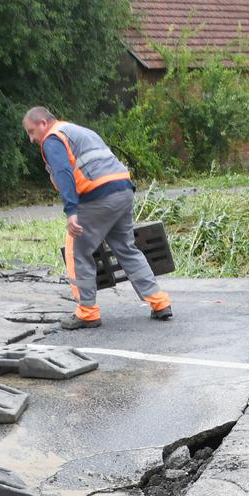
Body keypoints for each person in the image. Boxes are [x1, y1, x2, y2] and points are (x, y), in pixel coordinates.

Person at [21, 106, 171, 330]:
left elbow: (64, 175)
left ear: (43, 122)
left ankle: (87, 312)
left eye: (32, 132)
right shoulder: (79, 131)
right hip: (123, 191)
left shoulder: (53, 139)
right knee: (126, 248)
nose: (32, 139)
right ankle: (160, 302)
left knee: (77, 251)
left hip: (98, 197)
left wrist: (71, 212)